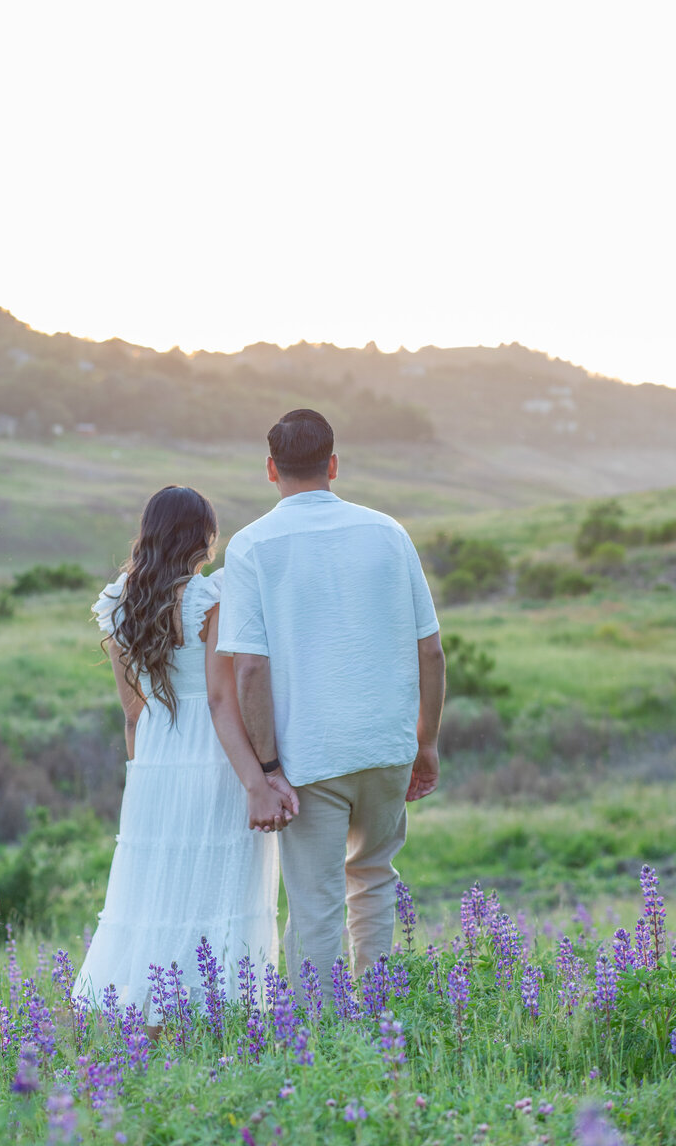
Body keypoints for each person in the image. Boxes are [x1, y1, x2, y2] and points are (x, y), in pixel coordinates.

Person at [217, 409, 445, 1000]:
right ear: (333, 465)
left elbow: (249, 669)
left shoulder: (251, 547)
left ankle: (317, 1036)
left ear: (271, 469)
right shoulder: (388, 533)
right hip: (386, 744)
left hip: (310, 754)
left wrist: (267, 770)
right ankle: (380, 1014)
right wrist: (426, 743)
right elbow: (432, 651)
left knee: (315, 901)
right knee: (373, 880)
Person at [73, 485, 298, 1019]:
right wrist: (258, 778)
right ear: (205, 538)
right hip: (215, 751)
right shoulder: (211, 597)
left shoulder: (122, 602)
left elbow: (132, 711)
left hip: (154, 755)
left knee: (157, 880)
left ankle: (149, 1008)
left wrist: (142, 774)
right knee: (220, 875)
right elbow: (221, 698)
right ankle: (218, 1007)